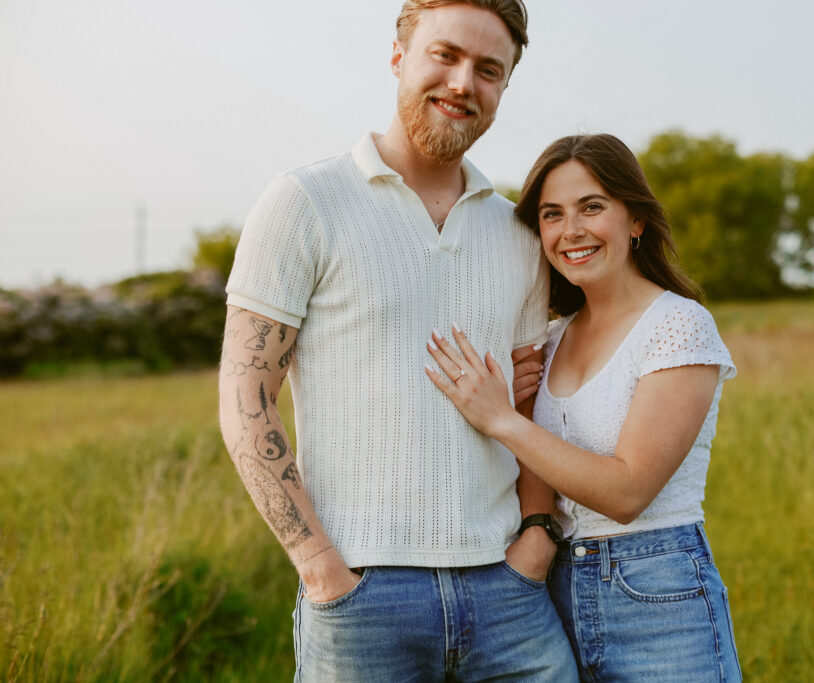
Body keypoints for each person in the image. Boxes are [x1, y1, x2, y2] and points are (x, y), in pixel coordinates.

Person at [218, 1, 577, 680]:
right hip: (361, 597)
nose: (464, 82)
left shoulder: (521, 233)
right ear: (398, 58)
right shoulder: (304, 202)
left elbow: (532, 404)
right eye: (445, 55)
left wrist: (537, 539)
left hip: (509, 594)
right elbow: (245, 397)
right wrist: (321, 568)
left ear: (503, 88)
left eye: (488, 69)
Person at [426, 133, 743, 681]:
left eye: (591, 207)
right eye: (552, 214)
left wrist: (501, 419)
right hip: (557, 591)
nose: (570, 231)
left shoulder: (679, 326)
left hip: (658, 593)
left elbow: (626, 493)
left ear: (635, 220)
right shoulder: (553, 337)